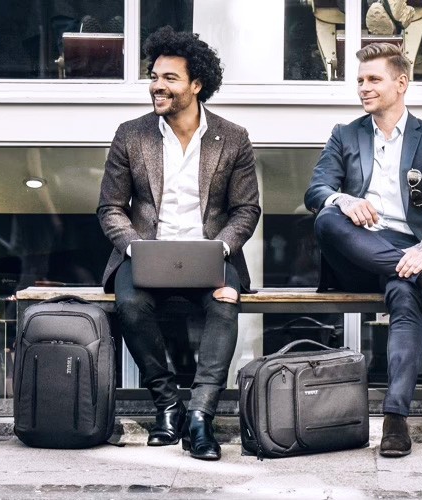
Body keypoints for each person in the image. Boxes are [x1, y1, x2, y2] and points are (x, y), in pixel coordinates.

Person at [97, 26, 261, 461]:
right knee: (130, 303)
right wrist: (135, 248)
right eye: (154, 76)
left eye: (169, 78)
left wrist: (222, 249)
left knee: (225, 302)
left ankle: (201, 417)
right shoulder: (132, 134)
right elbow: (110, 207)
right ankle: (168, 404)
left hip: (211, 253)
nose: (157, 85)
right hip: (146, 251)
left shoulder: (234, 137)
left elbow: (246, 210)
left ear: (196, 84)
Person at [304, 42, 422, 458]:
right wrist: (345, 200)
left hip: (412, 249)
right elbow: (316, 189)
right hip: (357, 249)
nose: (363, 87)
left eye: (373, 79)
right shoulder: (345, 134)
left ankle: (395, 420)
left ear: (401, 83)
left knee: (404, 298)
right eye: (360, 80)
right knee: (325, 218)